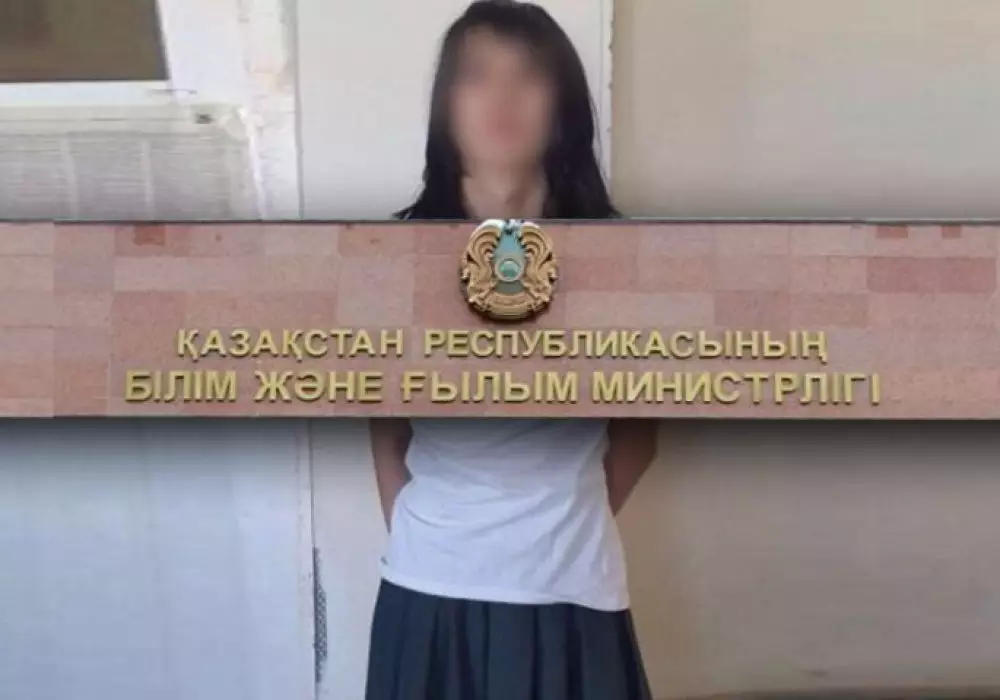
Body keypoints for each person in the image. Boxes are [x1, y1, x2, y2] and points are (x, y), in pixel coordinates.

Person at [366, 2, 658, 698]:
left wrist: (554, 532)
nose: (501, 98)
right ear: (447, 104)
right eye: (476, 76)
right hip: (427, 587)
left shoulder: (627, 260)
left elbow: (642, 433)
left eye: (527, 75)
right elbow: (382, 427)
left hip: (572, 590)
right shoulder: (388, 259)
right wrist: (437, 537)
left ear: (563, 104)